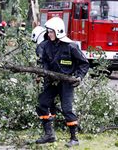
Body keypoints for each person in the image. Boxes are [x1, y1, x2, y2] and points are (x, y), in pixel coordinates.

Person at [35, 17, 89, 147]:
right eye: (48, 32)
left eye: (51, 32)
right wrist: (42, 73)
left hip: (66, 82)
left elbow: (84, 63)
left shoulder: (71, 46)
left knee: (67, 109)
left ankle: (74, 138)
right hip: (52, 81)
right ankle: (49, 135)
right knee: (42, 104)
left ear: (58, 31)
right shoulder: (46, 46)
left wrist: (79, 77)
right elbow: (44, 62)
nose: (49, 34)